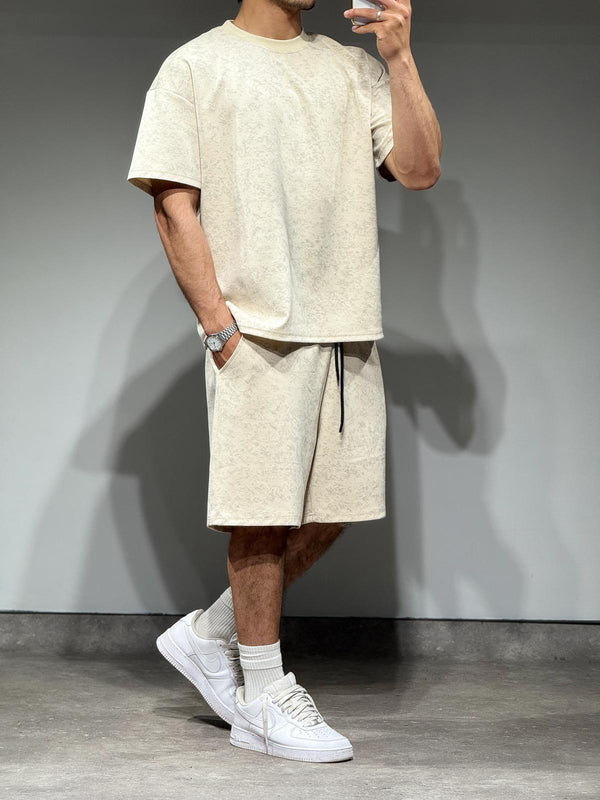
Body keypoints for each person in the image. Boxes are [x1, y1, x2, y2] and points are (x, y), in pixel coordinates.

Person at [126, 0, 441, 763]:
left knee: (331, 511)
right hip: (257, 333)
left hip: (346, 331)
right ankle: (262, 698)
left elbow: (420, 170)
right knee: (259, 518)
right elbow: (173, 206)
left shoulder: (351, 68)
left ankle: (210, 635)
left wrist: (399, 58)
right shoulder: (195, 67)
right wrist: (220, 329)